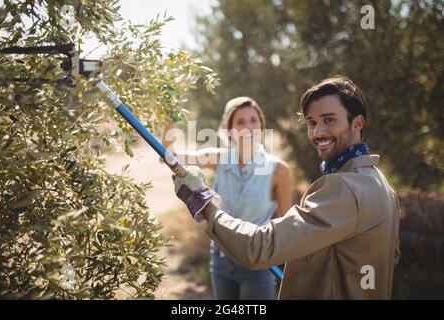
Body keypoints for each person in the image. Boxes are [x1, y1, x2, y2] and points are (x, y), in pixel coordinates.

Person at [172, 76, 401, 299]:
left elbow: (259, 246)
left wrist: (204, 203)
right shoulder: (380, 184)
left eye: (329, 120)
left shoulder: (344, 187)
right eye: (312, 123)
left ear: (357, 123)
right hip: (221, 263)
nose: (317, 132)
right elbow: (386, 258)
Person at [162, 97, 293, 300]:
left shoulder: (279, 170)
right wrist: (170, 114)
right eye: (240, 122)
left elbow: (286, 227)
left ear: (261, 125)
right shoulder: (219, 158)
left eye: (253, 120)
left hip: (258, 264)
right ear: (229, 129)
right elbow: (168, 156)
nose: (248, 127)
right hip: (221, 261)